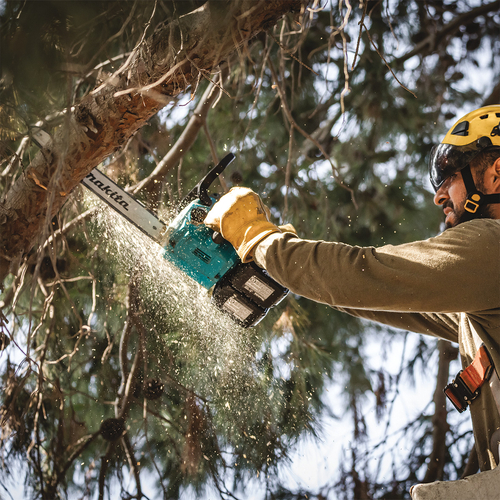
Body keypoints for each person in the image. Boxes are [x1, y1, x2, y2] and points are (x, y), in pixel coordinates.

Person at [204, 106, 500, 496]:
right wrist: (285, 264)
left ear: (496, 173)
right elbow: (370, 293)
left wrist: (260, 239)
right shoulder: (479, 299)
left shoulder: (492, 247)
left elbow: (366, 274)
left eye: (449, 174)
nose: (439, 195)